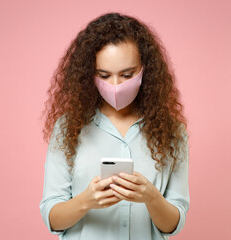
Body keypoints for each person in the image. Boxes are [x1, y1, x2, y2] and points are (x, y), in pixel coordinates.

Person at [39, 12, 190, 240]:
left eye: (127, 74)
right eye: (104, 75)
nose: (116, 85)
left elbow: (174, 224)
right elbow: (52, 217)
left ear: (144, 70)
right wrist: (85, 201)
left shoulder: (172, 132)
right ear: (90, 74)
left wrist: (151, 197)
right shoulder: (68, 127)